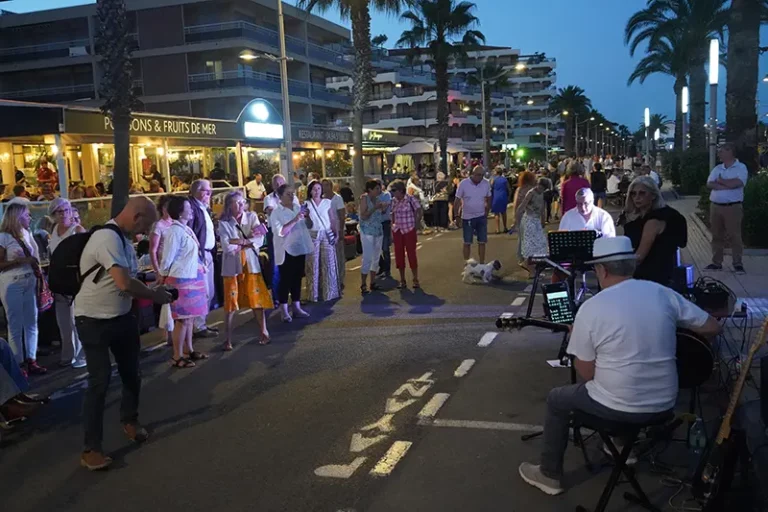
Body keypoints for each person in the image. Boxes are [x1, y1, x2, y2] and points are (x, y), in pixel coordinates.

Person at [519, 236, 721, 496]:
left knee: (559, 398)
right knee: (621, 383)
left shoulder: (591, 309)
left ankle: (549, 475)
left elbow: (587, 374)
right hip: (664, 405)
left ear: (601, 270)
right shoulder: (661, 293)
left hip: (620, 409)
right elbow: (712, 327)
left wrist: (578, 337)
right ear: (631, 266)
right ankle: (624, 446)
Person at [75, 196, 174, 470]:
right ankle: (91, 449)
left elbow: (128, 278)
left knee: (132, 372)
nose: (146, 232)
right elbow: (123, 282)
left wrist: (153, 283)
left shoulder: (123, 241)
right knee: (99, 381)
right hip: (92, 319)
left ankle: (129, 420)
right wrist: (155, 296)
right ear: (137, 216)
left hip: (121, 316)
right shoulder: (107, 238)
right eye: (147, 225)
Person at [157, 196, 209, 366]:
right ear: (180, 212)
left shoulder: (185, 229)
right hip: (180, 278)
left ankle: (189, 350)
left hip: (192, 276)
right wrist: (162, 275)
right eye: (188, 208)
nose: (192, 210)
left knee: (190, 317)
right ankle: (177, 356)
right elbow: (167, 257)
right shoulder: (174, 231)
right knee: (182, 319)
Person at [218, 191, 272, 348]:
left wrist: (239, 241)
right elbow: (227, 247)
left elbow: (259, 240)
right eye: (236, 202)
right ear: (229, 205)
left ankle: (264, 331)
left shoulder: (252, 217)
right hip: (232, 266)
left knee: (256, 299)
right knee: (230, 302)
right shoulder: (224, 222)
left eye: (242, 202)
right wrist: (248, 241)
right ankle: (227, 338)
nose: (241, 205)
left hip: (250, 263)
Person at [0, 203, 45, 374]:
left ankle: (31, 359)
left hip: (29, 280)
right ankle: (18, 363)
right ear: (17, 217)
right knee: (15, 324)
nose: (30, 218)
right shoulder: (3, 237)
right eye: (27, 215)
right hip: (12, 281)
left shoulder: (26, 233)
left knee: (31, 321)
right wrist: (19, 261)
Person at [622, 176, 687, 287]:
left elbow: (639, 257)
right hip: (659, 273)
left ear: (653, 195)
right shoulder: (643, 217)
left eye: (642, 193)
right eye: (633, 194)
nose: (637, 197)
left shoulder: (654, 221)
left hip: (652, 277)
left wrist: (619, 271)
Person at [48, 198, 87, 369]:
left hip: (74, 279)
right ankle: (67, 354)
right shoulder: (54, 229)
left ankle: (80, 356)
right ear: (53, 215)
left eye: (66, 210)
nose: (63, 214)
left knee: (75, 319)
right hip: (58, 279)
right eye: (59, 211)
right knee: (62, 320)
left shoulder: (77, 229)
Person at [270, 184, 313, 322]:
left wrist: (307, 217)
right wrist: (295, 219)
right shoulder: (276, 213)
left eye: (292, 194)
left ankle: (296, 306)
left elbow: (309, 225)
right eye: (288, 194)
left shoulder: (296, 208)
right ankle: (283, 309)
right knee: (285, 280)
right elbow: (281, 231)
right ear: (280, 196)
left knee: (297, 278)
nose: (291, 196)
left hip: (299, 247)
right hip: (285, 249)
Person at [705, 142, 748, 273]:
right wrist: (727, 184)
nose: (719, 153)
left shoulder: (740, 167)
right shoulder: (717, 168)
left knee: (734, 235)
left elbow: (738, 183)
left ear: (730, 152)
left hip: (732, 207)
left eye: (722, 151)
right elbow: (710, 183)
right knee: (717, 235)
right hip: (716, 207)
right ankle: (716, 262)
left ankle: (737, 263)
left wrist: (721, 181)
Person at [188, 180, 218, 338]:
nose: (209, 194)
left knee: (210, 291)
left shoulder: (203, 208)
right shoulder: (193, 208)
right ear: (197, 191)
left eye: (210, 191)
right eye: (206, 191)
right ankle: (198, 326)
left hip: (207, 253)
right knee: (203, 291)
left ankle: (201, 324)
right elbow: (191, 231)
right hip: (200, 255)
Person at [303, 180, 340, 302]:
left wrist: (336, 233)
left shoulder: (327, 202)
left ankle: (329, 292)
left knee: (328, 263)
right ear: (310, 191)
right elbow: (306, 223)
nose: (317, 191)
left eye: (319, 189)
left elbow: (332, 218)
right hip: (312, 234)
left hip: (326, 232)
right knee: (312, 264)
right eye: (314, 189)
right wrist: (306, 215)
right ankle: (312, 294)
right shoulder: (306, 204)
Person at [455, 166, 491, 264]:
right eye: (478, 175)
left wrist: (486, 212)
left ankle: (482, 263)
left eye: (482, 175)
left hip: (481, 216)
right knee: (467, 242)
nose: (480, 178)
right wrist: (457, 216)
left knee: (482, 241)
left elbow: (489, 197)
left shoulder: (486, 183)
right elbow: (457, 200)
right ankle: (467, 264)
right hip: (467, 217)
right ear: (472, 174)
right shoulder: (463, 184)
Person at [390, 180, 421, 289]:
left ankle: (415, 278)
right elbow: (392, 214)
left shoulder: (410, 199)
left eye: (394, 191)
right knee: (399, 255)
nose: (393, 193)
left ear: (400, 190)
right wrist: (392, 227)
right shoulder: (393, 201)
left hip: (409, 229)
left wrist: (416, 224)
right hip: (398, 230)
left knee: (411, 254)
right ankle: (402, 279)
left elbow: (418, 210)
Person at [358, 180, 387, 294]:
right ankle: (363, 283)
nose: (379, 191)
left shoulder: (378, 200)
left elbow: (380, 214)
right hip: (367, 231)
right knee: (367, 257)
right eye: (376, 188)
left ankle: (372, 282)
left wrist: (383, 208)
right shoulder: (364, 198)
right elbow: (363, 215)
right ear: (370, 189)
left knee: (375, 258)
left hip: (378, 231)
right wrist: (375, 208)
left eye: (379, 188)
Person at [517, 178, 550, 274]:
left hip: (536, 220)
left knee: (541, 243)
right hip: (529, 220)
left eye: (543, 188)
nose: (541, 189)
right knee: (530, 244)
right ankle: (528, 265)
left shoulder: (541, 193)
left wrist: (543, 219)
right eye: (540, 187)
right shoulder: (531, 193)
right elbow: (522, 206)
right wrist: (516, 221)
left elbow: (542, 207)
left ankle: (533, 266)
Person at [322, 179, 346, 290]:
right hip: (326, 231)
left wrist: (340, 230)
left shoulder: (337, 198)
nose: (325, 188)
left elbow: (341, 216)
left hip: (336, 230)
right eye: (323, 186)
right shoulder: (321, 199)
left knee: (338, 256)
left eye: (327, 185)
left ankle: (340, 279)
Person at [512, 171, 536, 263]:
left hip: (521, 216)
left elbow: (516, 204)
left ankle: (521, 257)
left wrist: (515, 218)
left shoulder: (519, 189)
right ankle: (529, 257)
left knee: (521, 237)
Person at [377, 180, 393, 279]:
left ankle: (387, 270)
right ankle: (382, 266)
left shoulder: (386, 195)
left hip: (385, 223)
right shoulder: (371, 197)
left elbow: (383, 210)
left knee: (385, 248)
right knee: (375, 248)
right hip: (375, 224)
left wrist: (376, 208)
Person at [490, 166, 510, 234]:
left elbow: (491, 188)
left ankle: (497, 229)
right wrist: (509, 196)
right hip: (503, 196)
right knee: (504, 212)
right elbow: (508, 189)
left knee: (496, 213)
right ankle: (505, 227)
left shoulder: (493, 179)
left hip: (496, 196)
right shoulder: (504, 179)